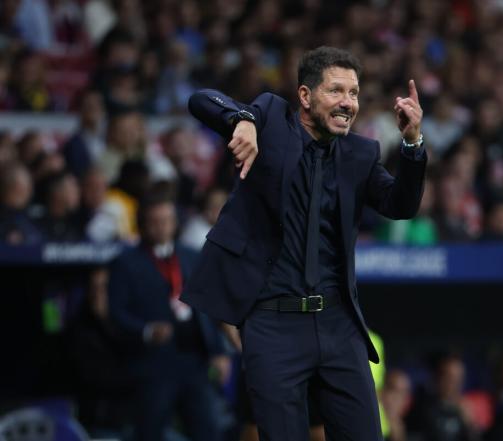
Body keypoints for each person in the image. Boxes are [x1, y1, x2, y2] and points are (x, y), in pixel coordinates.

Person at [182, 46, 427, 440]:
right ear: (305, 96)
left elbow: (400, 204)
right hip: (272, 322)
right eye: (336, 91)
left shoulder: (360, 154)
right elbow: (201, 100)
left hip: (338, 322)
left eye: (354, 93)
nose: (348, 102)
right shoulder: (271, 119)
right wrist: (242, 121)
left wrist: (413, 143)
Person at [108, 194, 231, 441]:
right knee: (150, 433)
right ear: (142, 224)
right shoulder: (125, 263)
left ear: (175, 223)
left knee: (208, 431)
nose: (161, 226)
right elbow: (115, 314)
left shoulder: (191, 256)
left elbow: (208, 309)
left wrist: (219, 351)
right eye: (154, 221)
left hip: (194, 362)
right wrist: (145, 331)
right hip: (153, 366)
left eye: (166, 220)